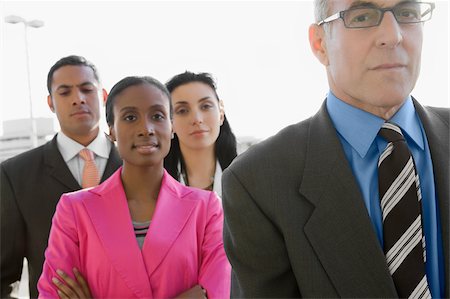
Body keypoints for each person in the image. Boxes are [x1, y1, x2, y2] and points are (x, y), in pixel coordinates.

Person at [222, 0, 448, 298]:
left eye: (407, 13)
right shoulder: (257, 182)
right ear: (320, 44)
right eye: (363, 16)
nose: (393, 35)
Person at [37, 76, 231, 298]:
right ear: (111, 130)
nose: (146, 129)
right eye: (130, 117)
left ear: (172, 126)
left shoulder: (206, 209)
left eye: (157, 116)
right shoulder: (74, 210)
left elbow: (221, 293)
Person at [1, 55, 122, 298]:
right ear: (51, 103)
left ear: (104, 96)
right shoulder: (15, 175)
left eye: (87, 89)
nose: (78, 99)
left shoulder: (141, 165)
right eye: (65, 92)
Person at [164, 71, 237, 197]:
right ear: (169, 121)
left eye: (205, 106)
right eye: (182, 110)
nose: (197, 119)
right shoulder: (153, 182)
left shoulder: (250, 169)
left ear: (221, 112)